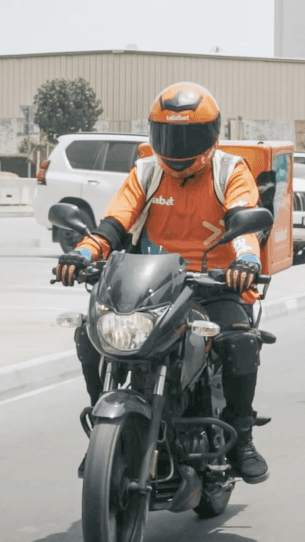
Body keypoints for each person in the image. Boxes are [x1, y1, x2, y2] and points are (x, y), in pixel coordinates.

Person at [53, 82, 270, 484]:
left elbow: (245, 221)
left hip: (215, 282)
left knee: (240, 341)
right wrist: (82, 253)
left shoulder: (229, 169)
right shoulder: (147, 170)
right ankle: (102, 426)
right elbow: (114, 223)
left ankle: (241, 437)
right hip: (153, 283)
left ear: (212, 134)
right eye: (169, 135)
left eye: (188, 135)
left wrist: (245, 260)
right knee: (91, 333)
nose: (177, 145)